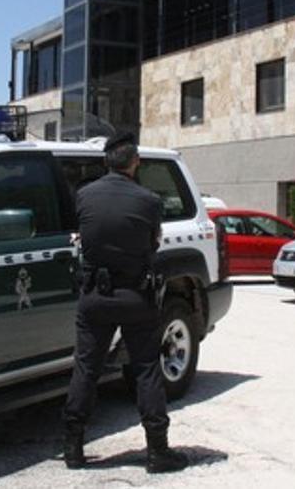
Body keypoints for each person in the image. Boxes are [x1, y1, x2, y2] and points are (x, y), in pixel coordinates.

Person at [61, 131, 188, 474]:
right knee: (147, 368)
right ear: (136, 163)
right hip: (135, 296)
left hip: (94, 296)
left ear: (106, 162)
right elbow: (154, 243)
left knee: (86, 367)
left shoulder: (84, 195)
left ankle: (73, 447)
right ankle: (157, 451)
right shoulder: (148, 200)